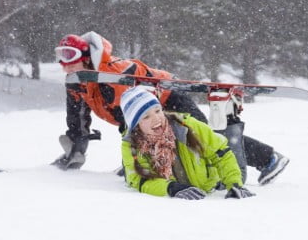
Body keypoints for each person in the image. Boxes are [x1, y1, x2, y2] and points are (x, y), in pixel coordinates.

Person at [52, 31, 289, 185]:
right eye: (60, 56)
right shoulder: (78, 83)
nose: (65, 63)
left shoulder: (114, 73)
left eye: (70, 55)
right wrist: (75, 151)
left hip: (168, 98)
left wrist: (135, 164)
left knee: (201, 137)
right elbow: (77, 120)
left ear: (86, 55)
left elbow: (135, 120)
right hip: (149, 113)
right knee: (188, 140)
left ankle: (268, 158)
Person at [120, 86, 256, 199]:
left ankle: (231, 116)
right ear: (135, 126)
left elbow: (222, 153)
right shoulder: (131, 145)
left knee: (232, 152)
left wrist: (234, 184)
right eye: (146, 117)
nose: (156, 119)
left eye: (157, 111)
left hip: (218, 181)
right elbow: (140, 181)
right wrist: (171, 188)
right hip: (189, 190)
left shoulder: (186, 126)